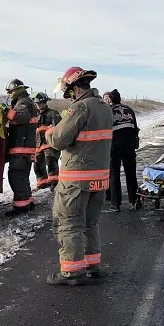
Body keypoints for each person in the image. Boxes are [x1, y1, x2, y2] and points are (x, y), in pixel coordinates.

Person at [45, 66, 113, 286]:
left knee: (69, 224)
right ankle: (92, 267)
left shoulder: (80, 108)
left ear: (73, 88)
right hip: (99, 179)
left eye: (68, 90)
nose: (68, 95)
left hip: (76, 179)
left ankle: (72, 272)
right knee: (90, 224)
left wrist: (48, 132)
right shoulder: (104, 107)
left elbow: (58, 140)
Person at [4, 79, 38, 217]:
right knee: (23, 177)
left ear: (17, 90)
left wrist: (7, 111)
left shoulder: (22, 103)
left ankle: (21, 206)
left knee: (16, 177)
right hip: (25, 148)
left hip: (21, 148)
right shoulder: (24, 101)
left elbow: (21, 118)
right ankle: (28, 202)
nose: (9, 94)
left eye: (10, 91)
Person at [105, 89, 140, 212]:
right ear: (120, 98)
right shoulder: (129, 110)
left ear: (110, 100)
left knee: (114, 175)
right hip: (129, 145)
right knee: (131, 173)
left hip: (114, 146)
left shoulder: (108, 111)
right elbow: (135, 127)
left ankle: (115, 204)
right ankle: (134, 201)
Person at [33, 92, 62, 191]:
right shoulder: (34, 115)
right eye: (36, 103)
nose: (38, 105)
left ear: (45, 102)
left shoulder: (53, 113)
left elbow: (60, 127)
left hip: (49, 143)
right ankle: (42, 183)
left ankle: (54, 183)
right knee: (37, 165)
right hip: (37, 144)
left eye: (40, 103)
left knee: (50, 162)